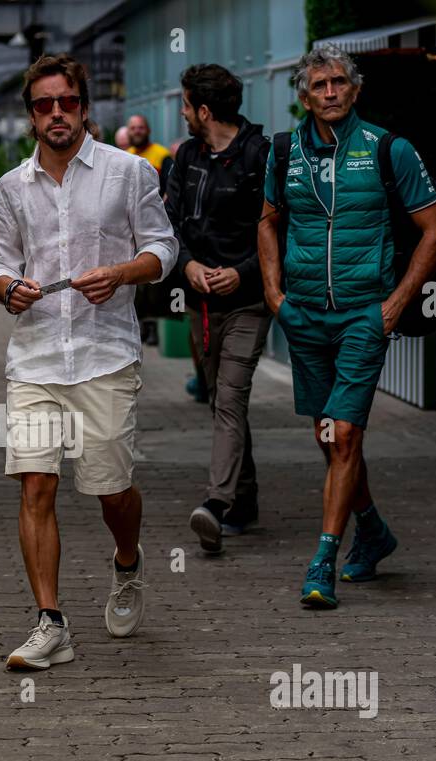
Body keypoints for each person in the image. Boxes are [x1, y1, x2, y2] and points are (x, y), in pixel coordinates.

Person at [0, 54, 177, 669]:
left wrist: (122, 273)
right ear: (32, 117)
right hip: (36, 355)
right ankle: (51, 622)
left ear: (85, 107)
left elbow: (163, 248)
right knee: (36, 483)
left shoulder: (127, 173)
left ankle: (127, 560)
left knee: (109, 488)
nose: (57, 113)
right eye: (44, 105)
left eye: (67, 101)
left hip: (104, 354)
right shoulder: (12, 187)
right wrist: (5, 287)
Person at [257, 44, 436, 608]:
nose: (331, 93)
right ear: (304, 95)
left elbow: (435, 231)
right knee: (328, 436)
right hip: (303, 315)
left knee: (344, 435)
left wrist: (395, 303)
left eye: (340, 82)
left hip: (364, 314)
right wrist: (274, 296)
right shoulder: (283, 151)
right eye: (319, 86)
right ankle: (373, 529)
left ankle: (323, 561)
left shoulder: (390, 149)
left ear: (356, 89)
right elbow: (267, 223)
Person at [165, 64, 273, 555]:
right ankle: (245, 500)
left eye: (186, 105)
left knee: (230, 398)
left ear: (204, 110)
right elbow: (167, 227)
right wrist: (187, 267)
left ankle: (216, 503)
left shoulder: (260, 156)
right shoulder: (186, 156)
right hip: (200, 304)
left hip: (248, 303)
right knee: (218, 398)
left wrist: (243, 273)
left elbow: (279, 231)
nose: (183, 114)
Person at [125, 114, 173, 193]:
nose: (137, 131)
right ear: (128, 132)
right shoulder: (126, 155)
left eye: (141, 128)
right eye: (132, 128)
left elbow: (170, 188)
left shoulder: (162, 154)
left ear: (148, 130)